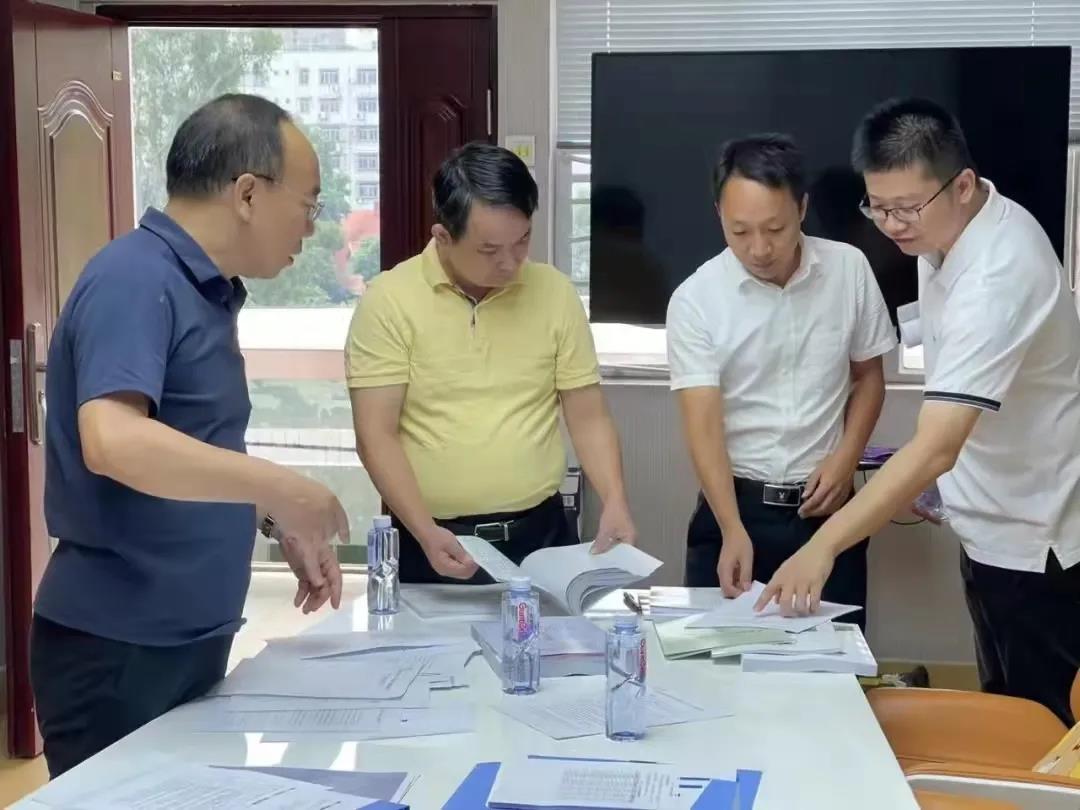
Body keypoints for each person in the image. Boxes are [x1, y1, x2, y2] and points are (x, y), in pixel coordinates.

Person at [31, 94, 350, 778]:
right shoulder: (135, 277)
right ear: (247, 193)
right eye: (308, 203)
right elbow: (114, 440)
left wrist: (272, 519)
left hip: (188, 637)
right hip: (118, 649)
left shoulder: (203, 289)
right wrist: (283, 485)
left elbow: (196, 449)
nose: (312, 225)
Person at [757, 98, 1080, 725]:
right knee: (1006, 708)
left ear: (962, 184)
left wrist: (824, 546)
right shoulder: (948, 232)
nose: (891, 225)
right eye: (877, 207)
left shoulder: (999, 273)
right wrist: (938, 486)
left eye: (906, 208)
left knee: (1043, 730)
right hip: (989, 522)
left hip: (1035, 540)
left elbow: (936, 445)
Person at [347, 142, 636, 584]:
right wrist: (425, 531)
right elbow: (375, 435)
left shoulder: (555, 294)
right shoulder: (389, 302)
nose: (509, 262)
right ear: (443, 236)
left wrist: (614, 499)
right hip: (434, 540)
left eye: (522, 242)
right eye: (489, 250)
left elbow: (588, 415)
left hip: (543, 536)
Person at [667, 134, 897, 627]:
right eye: (740, 231)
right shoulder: (695, 299)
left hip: (827, 511)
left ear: (802, 208)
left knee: (833, 658)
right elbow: (702, 426)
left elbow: (869, 378)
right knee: (721, 660)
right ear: (719, 214)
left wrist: (845, 459)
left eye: (775, 228)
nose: (759, 248)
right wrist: (731, 527)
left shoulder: (848, 269)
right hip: (735, 509)